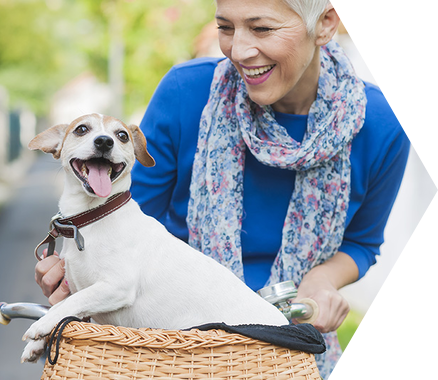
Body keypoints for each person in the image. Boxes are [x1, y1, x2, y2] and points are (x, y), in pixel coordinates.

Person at [34, 0, 411, 378]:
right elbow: (118, 218)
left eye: (261, 28)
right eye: (226, 27)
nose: (239, 50)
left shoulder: (383, 125)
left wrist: (323, 280)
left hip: (290, 355)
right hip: (171, 352)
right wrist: (78, 269)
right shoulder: (185, 93)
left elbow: (361, 243)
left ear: (326, 24)